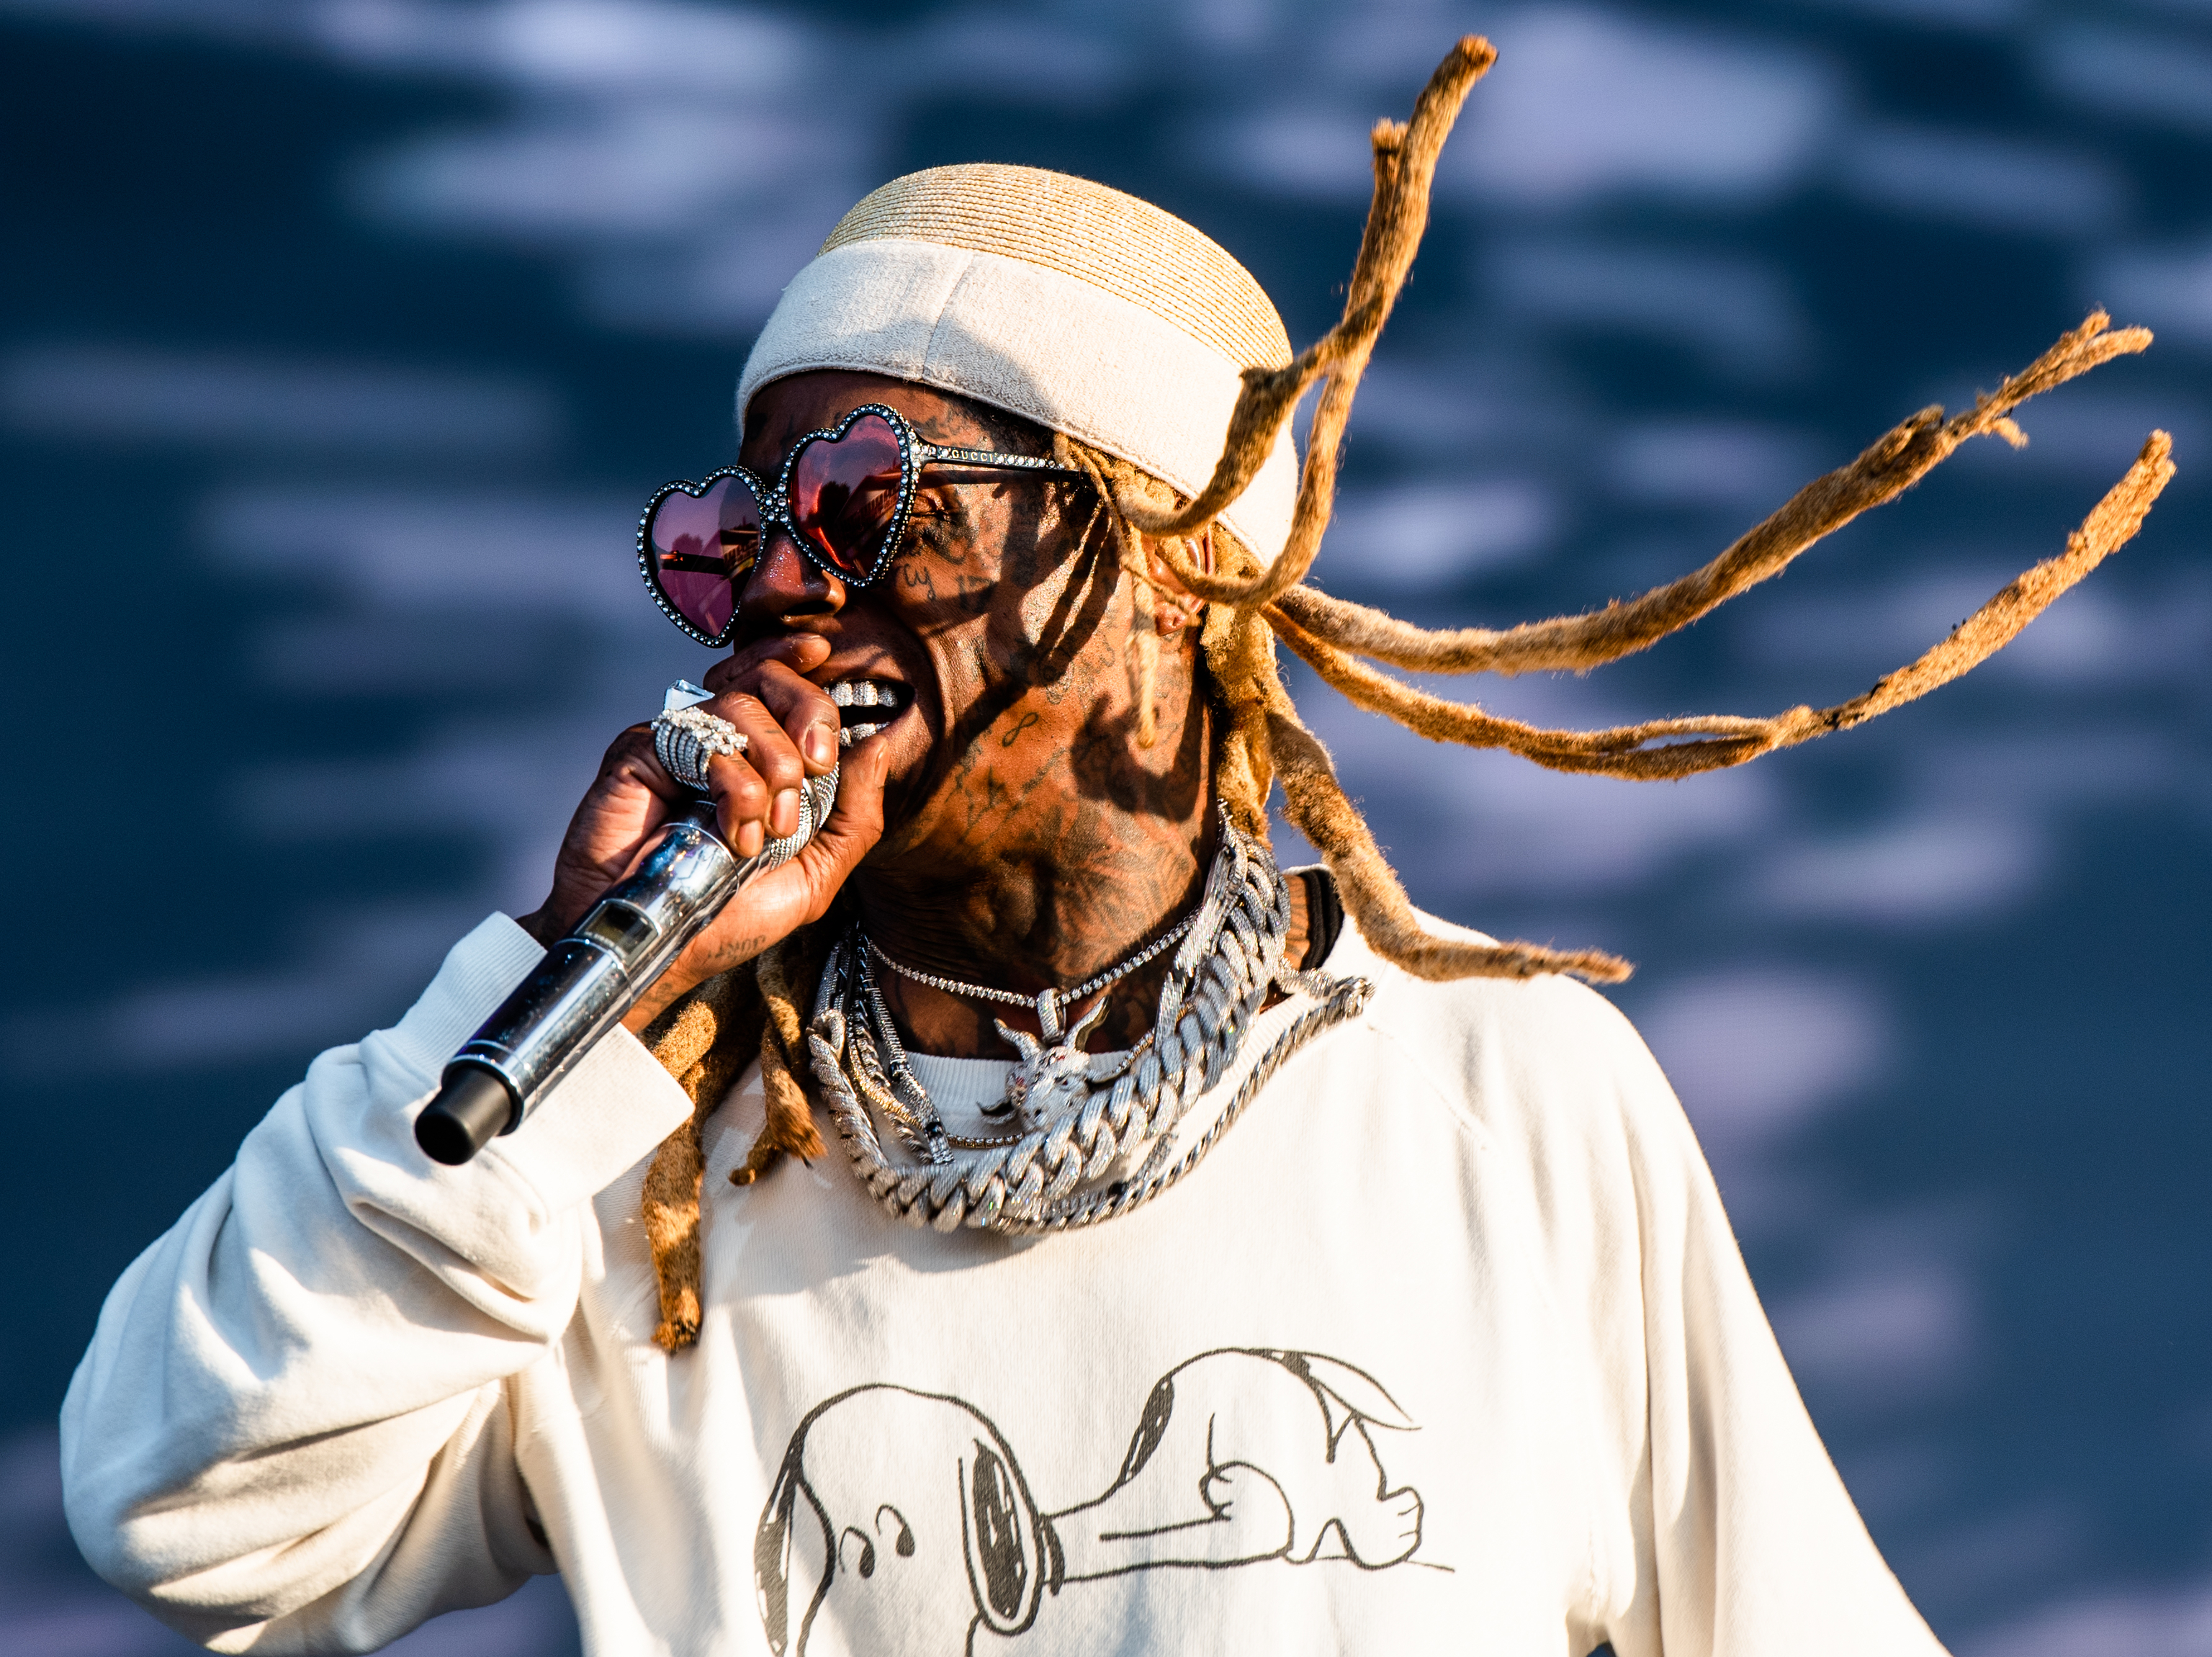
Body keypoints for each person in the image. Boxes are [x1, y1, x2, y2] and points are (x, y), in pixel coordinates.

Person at [61, 39, 2170, 1657]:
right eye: (739, 538)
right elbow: (182, 1514)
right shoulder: (630, 1153)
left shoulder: (1491, 1090)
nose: (792, 591)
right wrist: (563, 985)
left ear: (1165, 565)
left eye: (876, 500)